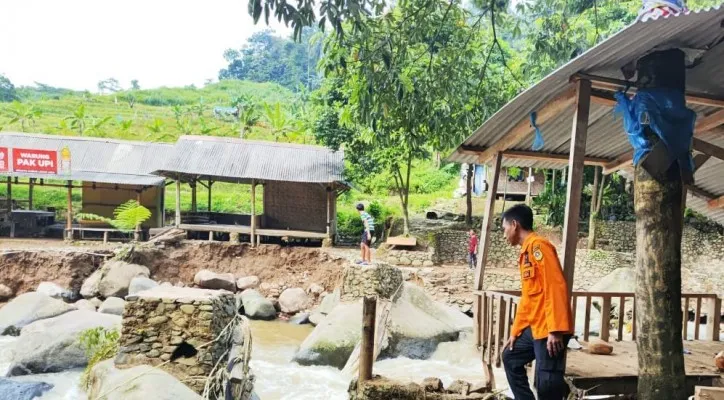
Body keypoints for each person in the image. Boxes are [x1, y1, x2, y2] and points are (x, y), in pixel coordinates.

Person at [500, 204, 573, 400]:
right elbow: (528, 299)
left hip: (550, 328)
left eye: (504, 228)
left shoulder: (539, 247)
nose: (504, 234)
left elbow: (556, 286)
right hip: (536, 327)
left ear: (514, 225)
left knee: (547, 384)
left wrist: (556, 330)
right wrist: (515, 332)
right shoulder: (526, 254)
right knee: (510, 357)